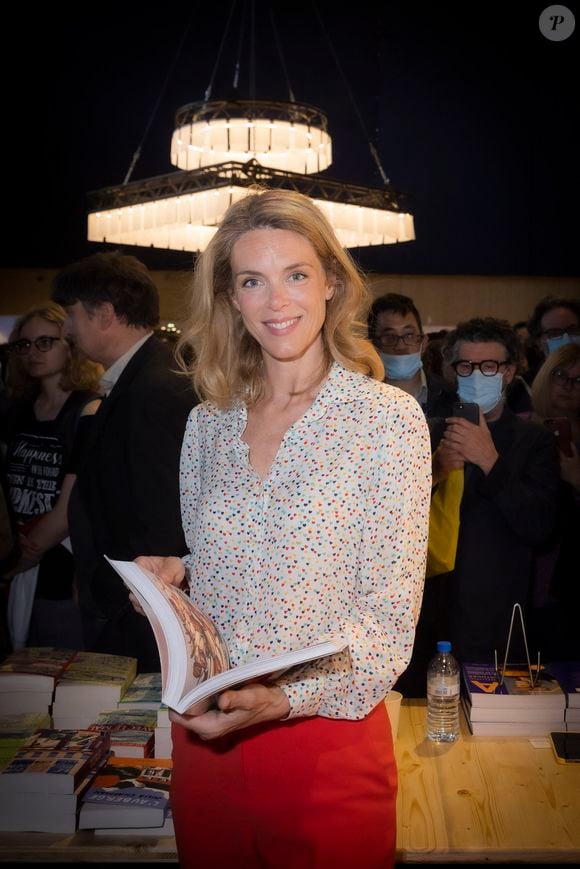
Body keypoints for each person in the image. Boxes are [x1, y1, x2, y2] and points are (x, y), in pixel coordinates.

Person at [134, 189, 431, 868]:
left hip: (326, 745)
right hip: (208, 742)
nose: (276, 301)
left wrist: (283, 699)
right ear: (230, 298)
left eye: (295, 274)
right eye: (252, 280)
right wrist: (176, 578)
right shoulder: (207, 424)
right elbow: (227, 558)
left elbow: (387, 622)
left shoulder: (386, 422)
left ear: (330, 281)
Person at [51, 251, 198, 671]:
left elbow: (161, 513)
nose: (66, 327)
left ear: (104, 313)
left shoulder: (152, 387)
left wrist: (123, 597)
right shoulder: (145, 373)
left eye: (72, 313)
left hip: (142, 605)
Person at [425, 317, 559, 667]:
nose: (476, 375)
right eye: (467, 366)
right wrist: (435, 473)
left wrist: (490, 461)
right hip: (428, 608)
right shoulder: (427, 431)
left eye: (489, 366)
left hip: (497, 614)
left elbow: (539, 527)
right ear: (453, 371)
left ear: (509, 372)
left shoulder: (535, 441)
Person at [0, 302, 102, 648]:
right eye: (24, 344)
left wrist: (23, 556)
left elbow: (73, 503)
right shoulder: (15, 408)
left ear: (70, 345)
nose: (33, 352)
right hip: (15, 547)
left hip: (61, 559)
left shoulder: (89, 408)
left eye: (45, 342)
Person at [527, 343, 580, 660]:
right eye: (560, 374)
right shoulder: (521, 428)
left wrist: (576, 478)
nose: (567, 385)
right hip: (531, 567)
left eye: (579, 379)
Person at [367, 293, 456, 417]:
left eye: (409, 335)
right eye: (389, 337)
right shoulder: (359, 399)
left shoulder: (450, 397)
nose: (401, 346)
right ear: (373, 347)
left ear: (424, 343)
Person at [507, 296, 580, 414]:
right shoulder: (520, 389)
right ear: (538, 342)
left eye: (573, 330)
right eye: (554, 333)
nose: (566, 338)